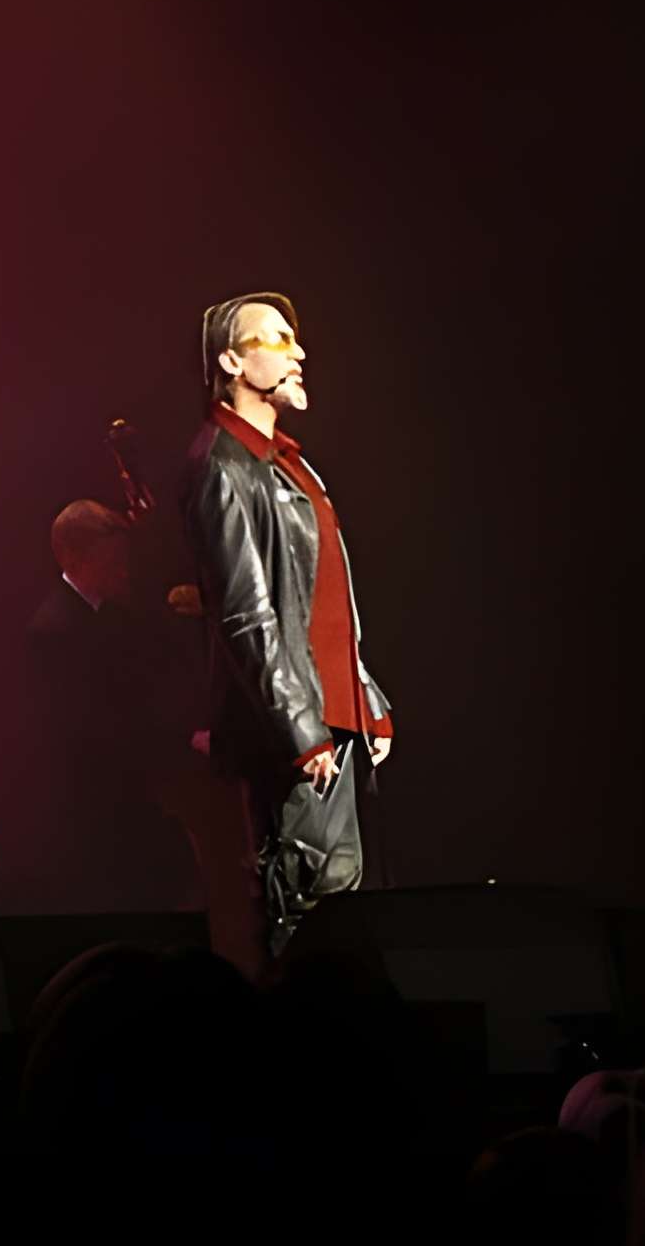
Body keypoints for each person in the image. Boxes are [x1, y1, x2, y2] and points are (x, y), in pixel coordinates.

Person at [184, 293, 393, 966]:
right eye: (275, 340)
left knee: (344, 902)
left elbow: (323, 592)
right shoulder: (222, 465)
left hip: (331, 718)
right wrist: (300, 727)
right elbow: (246, 613)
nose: (297, 352)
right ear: (231, 361)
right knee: (304, 907)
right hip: (293, 730)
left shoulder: (288, 461)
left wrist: (364, 696)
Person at [24, 500, 205, 910]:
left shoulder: (109, 617)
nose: (123, 568)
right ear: (76, 556)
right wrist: (182, 740)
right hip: (98, 811)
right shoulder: (53, 631)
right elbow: (94, 725)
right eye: (112, 558)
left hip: (126, 795)